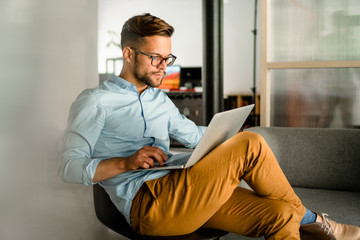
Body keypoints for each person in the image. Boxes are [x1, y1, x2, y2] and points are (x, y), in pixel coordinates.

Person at [59, 13, 360, 240]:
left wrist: (229, 135)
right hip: (149, 204)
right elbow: (69, 168)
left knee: (280, 215)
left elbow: (193, 136)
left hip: (186, 190)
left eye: (168, 58)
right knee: (251, 144)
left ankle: (305, 221)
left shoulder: (159, 101)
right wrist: (126, 162)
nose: (164, 66)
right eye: (155, 58)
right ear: (128, 54)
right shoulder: (95, 102)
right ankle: (317, 222)